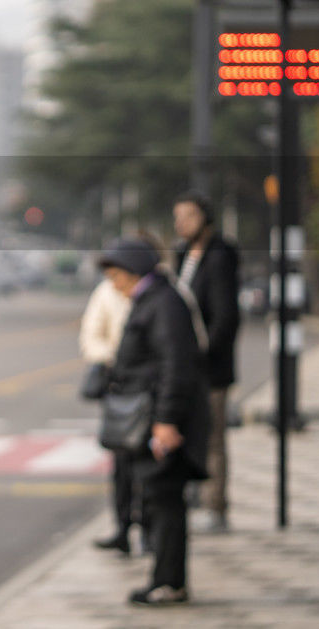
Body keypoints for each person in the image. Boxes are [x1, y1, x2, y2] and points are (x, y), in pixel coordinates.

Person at [99, 237, 210, 607]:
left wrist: (166, 421)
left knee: (165, 503)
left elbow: (175, 367)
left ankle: (169, 583)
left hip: (160, 420)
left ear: (133, 271)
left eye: (116, 275)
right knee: (159, 501)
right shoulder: (154, 299)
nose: (114, 284)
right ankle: (165, 580)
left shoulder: (163, 304)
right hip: (150, 416)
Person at [172, 191, 240, 533]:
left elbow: (226, 316)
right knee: (187, 434)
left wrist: (204, 352)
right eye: (178, 216)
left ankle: (216, 505)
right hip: (185, 364)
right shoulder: (182, 254)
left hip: (210, 367)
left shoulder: (220, 255)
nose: (181, 223)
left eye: (188, 216)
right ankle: (194, 495)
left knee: (213, 437)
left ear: (204, 217)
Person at [79, 276, 133, 553]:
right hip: (118, 386)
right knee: (121, 464)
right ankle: (123, 527)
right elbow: (90, 336)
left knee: (153, 469)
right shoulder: (107, 291)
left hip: (151, 388)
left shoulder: (159, 292)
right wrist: (116, 357)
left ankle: (150, 529)